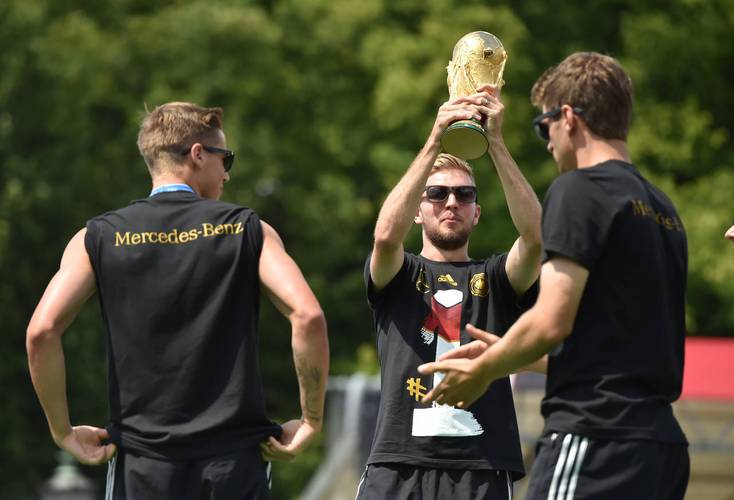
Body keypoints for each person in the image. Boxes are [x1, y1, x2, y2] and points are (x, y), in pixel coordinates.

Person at [26, 102, 329, 499]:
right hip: (234, 461)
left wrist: (62, 431)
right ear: (198, 154)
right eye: (225, 158)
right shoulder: (247, 229)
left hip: (142, 464)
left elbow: (42, 331)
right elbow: (307, 316)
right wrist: (311, 420)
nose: (226, 173)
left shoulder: (98, 237)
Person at [420, 52, 690, 499]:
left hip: (594, 438)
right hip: (663, 448)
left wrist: (484, 371)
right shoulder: (663, 210)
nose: (547, 144)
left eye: (543, 126)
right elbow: (617, 355)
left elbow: (551, 321)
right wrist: (508, 352)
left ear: (568, 118)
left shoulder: (579, 189)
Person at [357, 84, 543, 500]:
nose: (451, 202)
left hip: (482, 467)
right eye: (437, 194)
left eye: (464, 194)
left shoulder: (495, 277)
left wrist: (496, 143)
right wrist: (435, 140)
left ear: (477, 213)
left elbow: (535, 237)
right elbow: (385, 237)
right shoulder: (401, 272)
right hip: (397, 464)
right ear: (418, 211)